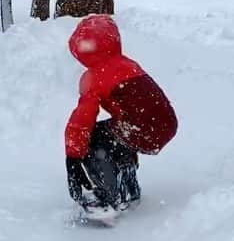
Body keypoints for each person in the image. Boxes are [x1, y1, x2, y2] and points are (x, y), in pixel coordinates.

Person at [64, 14, 178, 211]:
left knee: (93, 137)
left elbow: (83, 119)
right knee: (115, 135)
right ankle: (128, 187)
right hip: (165, 123)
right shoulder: (129, 64)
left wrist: (73, 155)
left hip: (139, 126)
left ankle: (107, 199)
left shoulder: (93, 77)